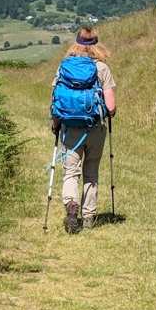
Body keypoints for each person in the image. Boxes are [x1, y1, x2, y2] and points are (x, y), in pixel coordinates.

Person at [51, 26, 116, 233]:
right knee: (91, 172)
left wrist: (56, 124)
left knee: (70, 172)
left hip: (70, 128)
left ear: (76, 43)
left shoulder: (64, 67)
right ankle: (88, 217)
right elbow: (111, 107)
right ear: (97, 44)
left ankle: (71, 205)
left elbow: (55, 99)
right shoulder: (102, 68)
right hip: (95, 128)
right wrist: (107, 113)